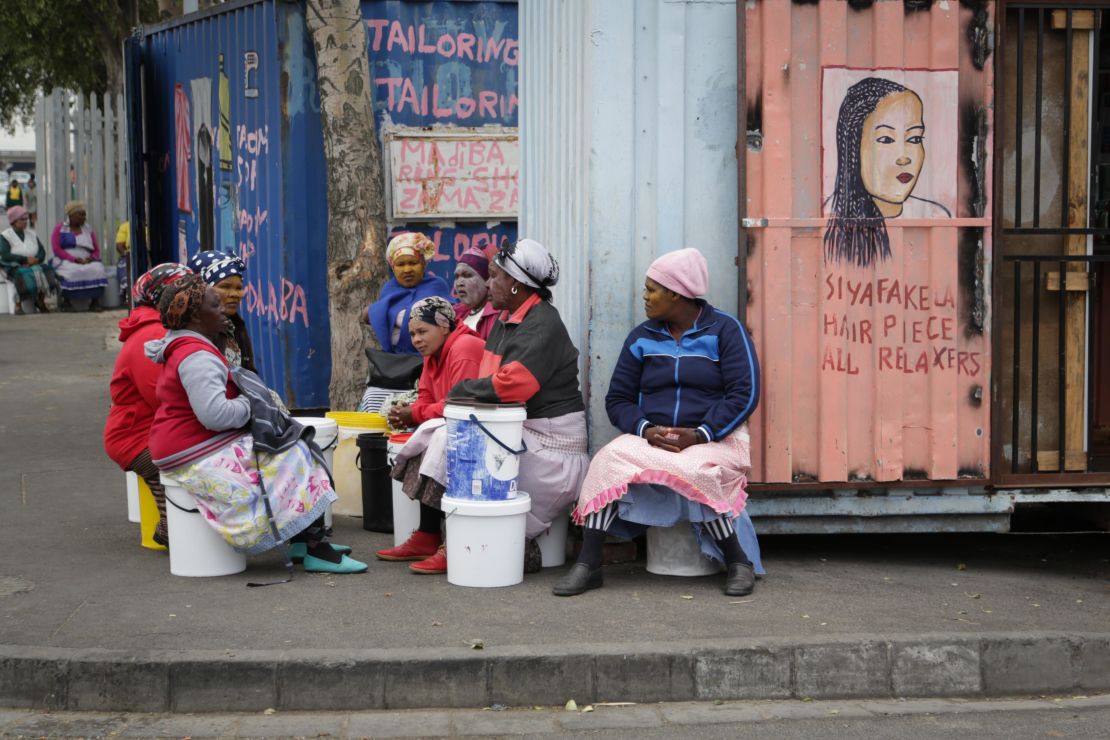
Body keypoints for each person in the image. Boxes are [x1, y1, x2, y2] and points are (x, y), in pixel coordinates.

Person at [554, 247, 762, 598]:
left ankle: (737, 562)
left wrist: (700, 434)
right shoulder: (642, 337)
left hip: (716, 437)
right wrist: (646, 429)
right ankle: (588, 565)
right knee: (607, 460)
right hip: (654, 437)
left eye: (652, 289)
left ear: (677, 294)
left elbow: (745, 393)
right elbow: (618, 400)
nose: (645, 297)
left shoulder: (726, 331)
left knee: (696, 469)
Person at [390, 239, 590, 575]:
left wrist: (459, 391)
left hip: (554, 448)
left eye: (494, 276)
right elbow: (490, 384)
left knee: (454, 448)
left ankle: (456, 544)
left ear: (515, 284)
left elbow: (511, 387)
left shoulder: (542, 325)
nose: (489, 283)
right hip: (521, 433)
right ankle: (440, 537)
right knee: (440, 433)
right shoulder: (506, 319)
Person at [145, 276, 366, 573]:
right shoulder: (196, 355)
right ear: (196, 316)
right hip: (193, 449)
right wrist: (253, 403)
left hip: (185, 443)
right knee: (295, 452)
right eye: (215, 304)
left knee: (293, 442)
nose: (223, 309)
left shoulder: (185, 345)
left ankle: (303, 538)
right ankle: (317, 548)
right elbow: (215, 416)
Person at [375, 296, 485, 569]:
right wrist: (412, 412)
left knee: (436, 436)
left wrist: (414, 414)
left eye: (423, 331)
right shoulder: (432, 355)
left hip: (483, 431)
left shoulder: (465, 347)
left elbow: (460, 404)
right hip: (452, 423)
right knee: (427, 434)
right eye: (412, 333)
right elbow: (425, 397)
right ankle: (427, 534)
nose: (416, 339)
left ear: (444, 326)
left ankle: (451, 543)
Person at [103, 263, 194, 545]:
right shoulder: (151, 335)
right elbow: (163, 396)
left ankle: (174, 532)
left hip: (142, 430)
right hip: (135, 437)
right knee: (186, 477)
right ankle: (176, 535)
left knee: (171, 489)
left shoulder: (154, 328)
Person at [824, 77, 950, 268]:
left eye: (915, 139)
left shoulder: (938, 216)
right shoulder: (830, 221)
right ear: (853, 147)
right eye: (886, 140)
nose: (904, 157)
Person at [358, 232, 453, 413]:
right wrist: (372, 311)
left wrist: (373, 311)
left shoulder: (436, 285)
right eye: (400, 265)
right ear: (393, 267)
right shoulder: (390, 288)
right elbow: (375, 314)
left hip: (425, 369)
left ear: (423, 264)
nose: (407, 270)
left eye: (413, 263)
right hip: (391, 370)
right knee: (373, 407)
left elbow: (443, 315)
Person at [188, 251, 254, 371]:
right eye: (225, 287)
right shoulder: (197, 334)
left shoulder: (236, 326)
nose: (235, 294)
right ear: (202, 290)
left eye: (238, 288)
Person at [50, 200, 108, 311]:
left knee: (97, 269)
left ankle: (94, 302)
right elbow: (56, 249)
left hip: (86, 259)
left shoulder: (88, 229)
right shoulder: (60, 229)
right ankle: (66, 302)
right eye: (80, 215)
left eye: (84, 215)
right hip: (66, 259)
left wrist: (90, 258)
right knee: (71, 271)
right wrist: (74, 259)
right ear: (71, 216)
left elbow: (96, 250)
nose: (83, 217)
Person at [1, 205, 55, 315]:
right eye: (22, 219)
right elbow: (5, 255)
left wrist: (36, 260)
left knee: (47, 269)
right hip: (13, 265)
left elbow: (41, 251)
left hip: (32, 264)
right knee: (22, 273)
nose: (26, 221)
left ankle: (40, 301)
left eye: (26, 219)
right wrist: (24, 260)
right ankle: (18, 304)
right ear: (14, 221)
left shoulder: (32, 234)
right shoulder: (5, 236)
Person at [451, 246, 498, 340]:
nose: (459, 283)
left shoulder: (497, 315)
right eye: (456, 277)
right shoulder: (455, 313)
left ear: (487, 279)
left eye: (467, 275)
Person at [116, 222, 131, 307]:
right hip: (128, 255)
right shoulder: (126, 226)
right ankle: (126, 295)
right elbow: (119, 246)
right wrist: (126, 254)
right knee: (125, 265)